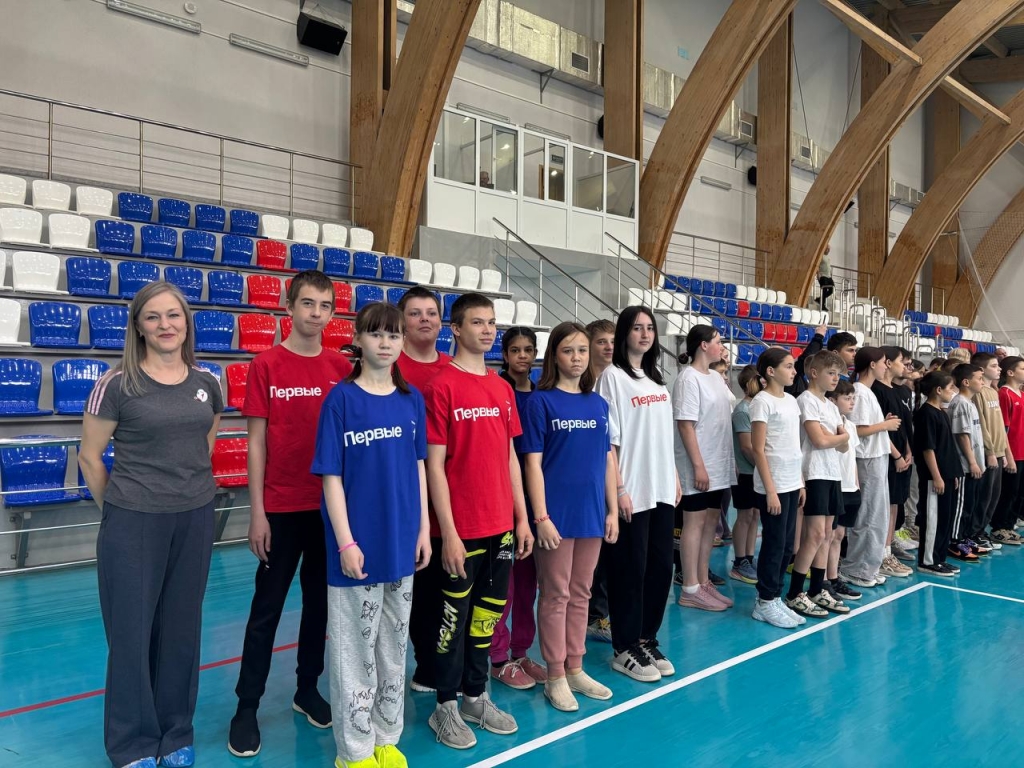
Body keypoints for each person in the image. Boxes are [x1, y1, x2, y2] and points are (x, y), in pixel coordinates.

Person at [80, 281, 224, 768]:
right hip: (133, 521)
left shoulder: (208, 381)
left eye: (174, 315)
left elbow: (203, 444)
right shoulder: (116, 384)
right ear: (138, 327)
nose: (166, 325)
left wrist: (184, 490)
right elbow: (89, 457)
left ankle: (175, 732)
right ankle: (132, 743)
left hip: (195, 516)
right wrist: (121, 508)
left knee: (182, 630)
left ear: (186, 322)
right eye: (154, 317)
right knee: (131, 633)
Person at [229, 271, 353, 758]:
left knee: (319, 608)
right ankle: (246, 707)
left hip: (327, 511)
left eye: (324, 305)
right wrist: (257, 512)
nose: (316, 313)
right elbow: (256, 443)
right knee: (266, 611)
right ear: (289, 306)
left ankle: (306, 688)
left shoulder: (340, 368)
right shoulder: (266, 365)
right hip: (280, 510)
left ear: (332, 313)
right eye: (307, 303)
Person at [312, 302, 431, 768]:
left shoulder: (411, 400)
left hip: (402, 545)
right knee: (354, 653)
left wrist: (423, 529)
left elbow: (419, 467)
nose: (385, 342)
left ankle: (385, 738)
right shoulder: (340, 401)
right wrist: (345, 542)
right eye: (376, 334)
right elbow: (331, 476)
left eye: (394, 334)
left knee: (392, 649)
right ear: (358, 339)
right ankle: (355, 751)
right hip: (356, 551)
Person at [422, 293, 534, 750]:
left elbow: (510, 457)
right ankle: (444, 705)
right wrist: (448, 532)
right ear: (456, 328)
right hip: (460, 531)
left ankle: (475, 695)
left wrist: (521, 518)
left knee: (486, 618)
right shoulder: (441, 386)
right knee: (452, 623)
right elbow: (433, 465)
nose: (487, 330)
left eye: (491, 323)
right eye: (477, 322)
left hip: (500, 527)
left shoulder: (502, 388)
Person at [522, 321, 618, 712]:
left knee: (582, 593)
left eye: (582, 350)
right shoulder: (540, 403)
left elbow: (606, 460)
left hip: (592, 514)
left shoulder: (598, 404)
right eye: (568, 350)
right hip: (556, 516)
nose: (576, 358)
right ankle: (555, 675)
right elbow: (532, 464)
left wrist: (612, 510)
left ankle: (576, 668)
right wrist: (541, 516)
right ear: (554, 356)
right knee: (556, 595)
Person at [596, 306, 681, 682]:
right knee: (629, 570)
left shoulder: (658, 380)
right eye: (636, 328)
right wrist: (618, 489)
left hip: (661, 487)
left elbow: (663, 437)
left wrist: (674, 476)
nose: (645, 334)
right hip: (631, 488)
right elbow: (608, 442)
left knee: (661, 567)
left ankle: (646, 638)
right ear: (623, 335)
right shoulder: (612, 378)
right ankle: (624, 646)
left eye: (649, 328)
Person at [395, 286, 453, 695]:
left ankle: (447, 663)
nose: (425, 319)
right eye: (415, 313)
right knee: (419, 589)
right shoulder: (389, 366)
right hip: (406, 498)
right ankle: (425, 666)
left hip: (452, 496)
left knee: (450, 587)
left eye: (431, 312)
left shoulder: (454, 367)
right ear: (402, 321)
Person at [491, 327, 547, 690]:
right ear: (505, 354)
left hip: (535, 498)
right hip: (503, 497)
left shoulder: (542, 395)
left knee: (529, 584)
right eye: (515, 350)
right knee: (504, 586)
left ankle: (521, 650)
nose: (522, 356)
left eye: (528, 349)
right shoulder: (497, 390)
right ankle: (498, 656)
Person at [673, 326, 736, 612]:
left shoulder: (715, 377)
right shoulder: (688, 378)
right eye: (718, 342)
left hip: (719, 464)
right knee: (694, 523)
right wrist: (698, 466)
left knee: (711, 523)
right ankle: (689, 587)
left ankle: (702, 581)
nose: (722, 347)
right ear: (702, 345)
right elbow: (686, 425)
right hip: (698, 464)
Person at [787, 351, 850, 618]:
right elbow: (819, 441)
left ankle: (816, 589)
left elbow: (843, 446)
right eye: (831, 373)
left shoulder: (831, 406)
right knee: (813, 536)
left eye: (838, 374)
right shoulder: (806, 400)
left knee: (826, 534)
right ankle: (794, 593)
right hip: (813, 473)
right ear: (814, 373)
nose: (836, 379)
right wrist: (838, 436)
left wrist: (837, 437)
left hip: (833, 473)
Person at [748, 347, 805, 629]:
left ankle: (775, 596)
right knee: (774, 544)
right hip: (774, 485)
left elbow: (794, 445)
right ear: (771, 371)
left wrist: (801, 482)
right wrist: (770, 490)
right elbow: (758, 449)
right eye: (789, 366)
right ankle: (764, 601)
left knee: (787, 546)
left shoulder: (792, 401)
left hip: (792, 482)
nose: (794, 371)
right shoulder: (761, 402)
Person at [841, 347, 901, 589]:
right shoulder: (859, 391)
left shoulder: (867, 392)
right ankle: (856, 568)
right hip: (867, 459)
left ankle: (868, 566)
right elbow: (857, 429)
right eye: (884, 362)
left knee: (877, 516)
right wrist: (884, 425)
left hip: (877, 456)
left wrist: (882, 423)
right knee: (868, 516)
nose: (886, 366)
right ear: (872, 364)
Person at [585, 318, 616, 644]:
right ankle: (593, 615)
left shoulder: (618, 381)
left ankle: (601, 612)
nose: (608, 347)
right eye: (601, 341)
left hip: (612, 475)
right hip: (587, 480)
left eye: (612, 341)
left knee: (609, 553)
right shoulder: (582, 385)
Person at [913, 371, 963, 576]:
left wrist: (953, 474)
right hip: (934, 478)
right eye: (951, 388)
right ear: (939, 390)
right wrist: (937, 476)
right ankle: (928, 561)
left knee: (945, 519)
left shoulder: (941, 412)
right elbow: (928, 449)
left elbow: (946, 447)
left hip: (948, 475)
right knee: (933, 519)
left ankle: (940, 558)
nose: (953, 391)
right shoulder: (926, 414)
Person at [871, 347, 914, 579]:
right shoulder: (877, 391)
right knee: (884, 505)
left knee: (895, 502)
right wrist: (896, 455)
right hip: (887, 456)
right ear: (888, 363)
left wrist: (908, 450)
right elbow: (880, 429)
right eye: (901, 362)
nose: (905, 367)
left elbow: (903, 425)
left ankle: (887, 550)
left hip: (901, 455)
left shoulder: (898, 391)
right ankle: (880, 554)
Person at [825, 380, 863, 602]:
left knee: (839, 535)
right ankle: (825, 579)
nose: (852, 402)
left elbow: (852, 458)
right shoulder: (829, 426)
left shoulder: (850, 426)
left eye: (853, 398)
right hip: (834, 485)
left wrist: (856, 483)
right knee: (828, 535)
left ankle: (834, 577)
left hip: (850, 486)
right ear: (832, 400)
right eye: (846, 398)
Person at [970, 352, 1011, 551]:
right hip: (989, 453)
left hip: (998, 451)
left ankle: (982, 530)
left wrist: (1004, 452)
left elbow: (1000, 426)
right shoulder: (978, 393)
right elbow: (982, 425)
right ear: (981, 369)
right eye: (994, 366)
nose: (999, 369)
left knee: (994, 496)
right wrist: (990, 451)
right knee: (983, 496)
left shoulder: (993, 392)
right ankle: (974, 533)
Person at [948, 363, 987, 562]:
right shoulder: (960, 403)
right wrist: (972, 462)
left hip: (975, 463)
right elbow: (962, 435)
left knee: (970, 504)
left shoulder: (970, 403)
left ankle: (965, 537)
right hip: (964, 465)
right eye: (979, 378)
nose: (982, 382)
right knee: (961, 506)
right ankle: (955, 541)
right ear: (966, 382)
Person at [729, 365, 762, 585]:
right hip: (746, 472)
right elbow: (747, 447)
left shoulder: (758, 407)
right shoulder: (743, 410)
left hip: (756, 471)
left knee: (755, 515)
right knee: (744, 516)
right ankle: (739, 561)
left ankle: (749, 557)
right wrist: (762, 466)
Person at [991, 356, 1024, 545]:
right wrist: (1008, 456)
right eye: (1022, 368)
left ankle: (1010, 526)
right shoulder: (1005, 394)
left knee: (1019, 492)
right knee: (1008, 492)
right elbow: (1003, 428)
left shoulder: (1022, 394)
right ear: (1010, 372)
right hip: (1013, 453)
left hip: (1023, 451)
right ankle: (999, 528)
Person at [817, 244, 834, 312]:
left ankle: (819, 299)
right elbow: (817, 266)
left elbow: (828, 267)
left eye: (829, 249)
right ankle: (822, 305)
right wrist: (818, 275)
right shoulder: (820, 256)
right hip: (823, 276)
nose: (828, 250)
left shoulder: (828, 258)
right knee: (824, 290)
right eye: (827, 249)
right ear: (824, 249)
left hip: (829, 276)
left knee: (832, 290)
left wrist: (831, 274)